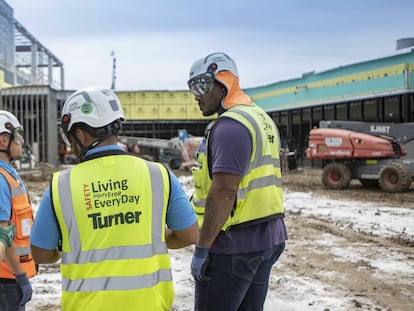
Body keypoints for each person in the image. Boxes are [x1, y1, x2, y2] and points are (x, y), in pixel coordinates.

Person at [30, 87, 199, 310]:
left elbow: (40, 253)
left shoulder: (61, 185)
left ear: (80, 134)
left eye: (71, 136)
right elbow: (190, 234)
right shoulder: (158, 174)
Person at [187, 53, 287, 310]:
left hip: (233, 245)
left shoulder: (231, 126)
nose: (196, 95)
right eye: (192, 88)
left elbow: (224, 191)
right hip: (268, 236)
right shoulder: (261, 118)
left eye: (201, 86)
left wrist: (202, 248)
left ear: (223, 84)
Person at [0, 111, 35, 311]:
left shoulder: (9, 175)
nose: (21, 142)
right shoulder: (1, 179)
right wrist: (20, 276)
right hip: (6, 280)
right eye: (18, 136)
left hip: (10, 277)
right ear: (4, 139)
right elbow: (3, 234)